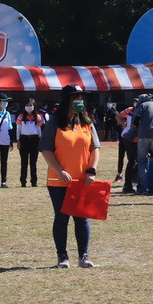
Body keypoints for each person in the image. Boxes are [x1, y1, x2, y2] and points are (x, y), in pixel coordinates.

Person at [40, 84, 101, 268]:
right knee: (62, 217)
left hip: (81, 180)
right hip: (58, 181)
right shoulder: (54, 122)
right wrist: (60, 171)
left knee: (82, 218)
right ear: (67, 100)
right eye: (76, 97)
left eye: (81, 98)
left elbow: (95, 148)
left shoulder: (87, 123)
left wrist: (92, 170)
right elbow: (45, 149)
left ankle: (84, 256)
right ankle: (62, 257)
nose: (80, 101)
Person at [15, 98, 45, 187]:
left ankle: (34, 182)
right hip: (24, 139)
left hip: (34, 139)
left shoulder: (38, 117)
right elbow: (18, 129)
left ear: (34, 106)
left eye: (30, 105)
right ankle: (23, 182)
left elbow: (39, 130)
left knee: (33, 163)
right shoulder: (21, 116)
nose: (29, 107)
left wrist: (41, 140)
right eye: (27, 105)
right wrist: (18, 140)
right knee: (23, 163)